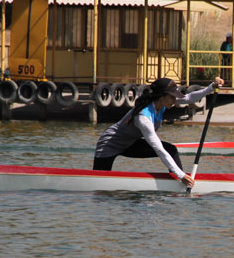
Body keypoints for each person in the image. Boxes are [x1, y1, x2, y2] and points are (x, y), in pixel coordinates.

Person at [93, 77, 224, 187]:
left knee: (171, 150)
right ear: (162, 97)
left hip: (129, 143)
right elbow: (159, 150)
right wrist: (181, 175)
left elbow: (189, 98)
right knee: (100, 185)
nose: (175, 100)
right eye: (173, 97)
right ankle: (181, 178)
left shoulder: (163, 102)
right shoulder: (144, 118)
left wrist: (211, 87)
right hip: (109, 145)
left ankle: (181, 184)